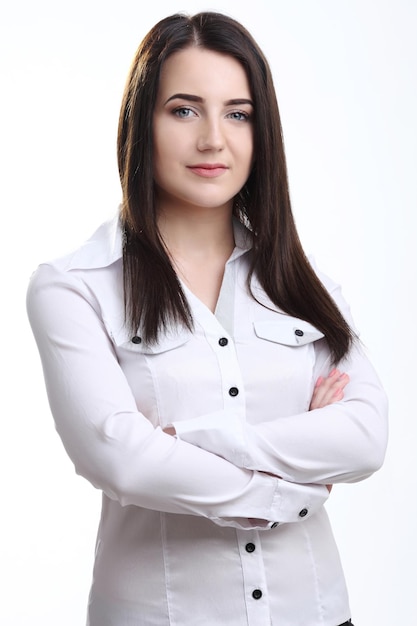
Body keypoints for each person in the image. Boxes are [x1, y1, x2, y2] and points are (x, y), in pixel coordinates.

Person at [26, 11, 388, 626]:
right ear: (143, 123)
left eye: (238, 113)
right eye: (184, 110)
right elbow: (121, 461)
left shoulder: (306, 282)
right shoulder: (74, 288)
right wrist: (287, 485)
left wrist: (192, 442)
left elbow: (364, 436)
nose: (214, 139)